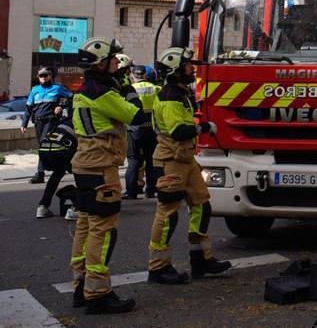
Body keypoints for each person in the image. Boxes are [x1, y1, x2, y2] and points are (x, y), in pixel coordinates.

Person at [69, 36, 148, 314]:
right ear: (100, 64)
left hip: (84, 164)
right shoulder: (103, 93)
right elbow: (136, 115)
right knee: (104, 229)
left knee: (86, 225)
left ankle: (81, 285)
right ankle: (98, 292)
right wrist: (128, 87)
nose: (117, 63)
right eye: (112, 60)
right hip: (102, 166)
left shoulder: (84, 90)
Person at [147, 47, 231, 285]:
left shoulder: (180, 92)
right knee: (167, 214)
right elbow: (178, 131)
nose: (192, 68)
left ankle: (201, 259)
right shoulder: (170, 96)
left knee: (202, 205)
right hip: (170, 160)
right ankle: (158, 267)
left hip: (184, 159)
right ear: (175, 70)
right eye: (187, 65)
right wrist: (205, 128)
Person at [22, 67, 73, 184]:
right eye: (41, 76)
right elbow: (28, 108)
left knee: (43, 144)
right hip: (38, 121)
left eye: (45, 75)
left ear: (50, 76)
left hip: (51, 121)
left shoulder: (57, 88)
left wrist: (61, 105)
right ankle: (63, 164)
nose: (43, 78)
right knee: (44, 145)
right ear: (38, 77)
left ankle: (40, 173)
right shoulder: (35, 90)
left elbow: (72, 96)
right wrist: (24, 123)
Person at [124, 64, 158, 200]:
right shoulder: (155, 89)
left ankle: (131, 192)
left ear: (133, 75)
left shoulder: (130, 90)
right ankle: (150, 190)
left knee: (133, 161)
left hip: (133, 130)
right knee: (150, 161)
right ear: (145, 75)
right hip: (150, 129)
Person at [35, 106, 76, 219]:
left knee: (58, 173)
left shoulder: (63, 121)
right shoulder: (78, 121)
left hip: (45, 149)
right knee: (81, 172)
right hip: (61, 150)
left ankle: (43, 206)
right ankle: (77, 208)